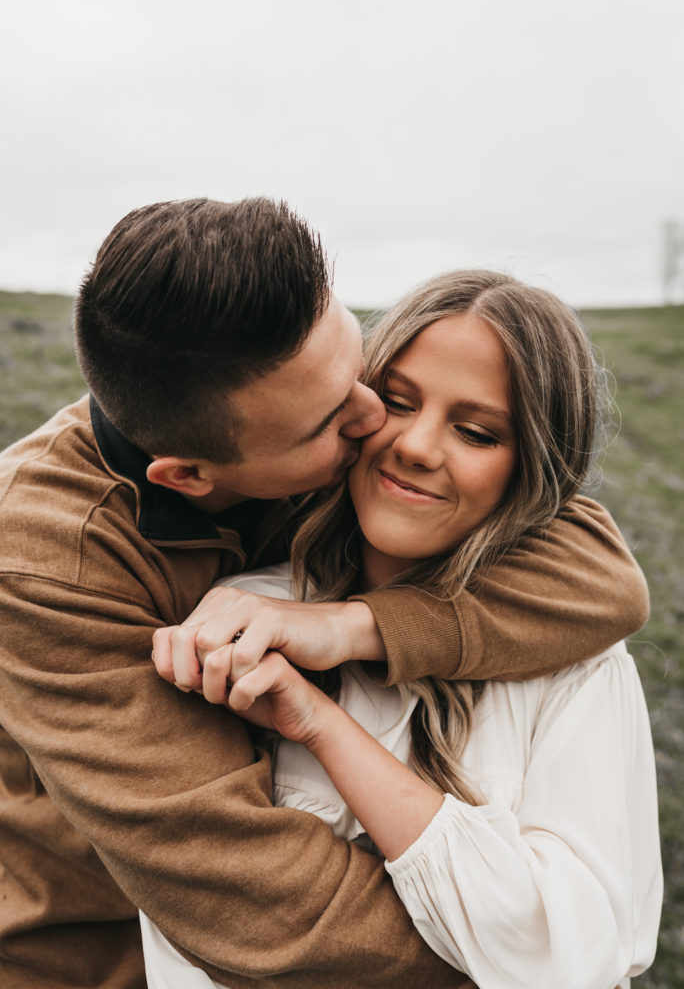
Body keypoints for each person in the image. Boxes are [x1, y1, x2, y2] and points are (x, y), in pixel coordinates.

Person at [0, 200, 649, 989]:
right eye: (336, 419)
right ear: (193, 479)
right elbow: (248, 895)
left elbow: (602, 573)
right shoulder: (45, 566)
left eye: (360, 371)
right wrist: (523, 965)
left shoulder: (306, 418)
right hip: (87, 958)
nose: (381, 425)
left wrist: (351, 628)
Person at [148, 270, 662, 989]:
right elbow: (192, 930)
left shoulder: (575, 661)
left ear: (530, 473)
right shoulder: (240, 615)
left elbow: (569, 955)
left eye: (477, 432)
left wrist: (324, 725)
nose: (417, 446)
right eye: (396, 403)